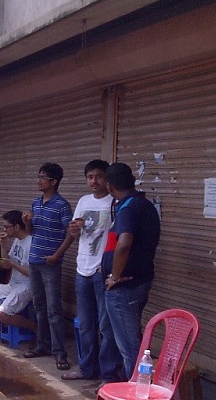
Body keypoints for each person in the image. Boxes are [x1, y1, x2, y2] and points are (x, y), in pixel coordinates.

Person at [61, 160, 123, 383]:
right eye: (90, 177)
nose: (94, 181)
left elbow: (119, 238)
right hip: (82, 268)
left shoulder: (115, 202)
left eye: (98, 176)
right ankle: (87, 369)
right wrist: (73, 229)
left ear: (107, 179)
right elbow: (76, 232)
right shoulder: (83, 201)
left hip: (101, 270)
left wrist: (109, 267)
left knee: (106, 327)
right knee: (86, 324)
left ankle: (108, 375)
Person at [102, 162, 161, 384]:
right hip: (136, 282)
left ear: (110, 185)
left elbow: (124, 244)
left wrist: (115, 276)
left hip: (125, 287)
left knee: (129, 348)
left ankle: (135, 399)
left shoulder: (128, 208)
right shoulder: (142, 205)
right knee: (129, 341)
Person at [22, 162, 74, 371]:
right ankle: (42, 345)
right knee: (39, 307)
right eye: (39, 176)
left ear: (54, 182)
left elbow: (71, 233)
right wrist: (27, 222)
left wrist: (56, 256)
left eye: (43, 178)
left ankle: (60, 353)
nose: (39, 181)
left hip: (50, 263)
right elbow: (32, 231)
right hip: (34, 261)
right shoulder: (36, 203)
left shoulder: (62, 205)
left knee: (54, 310)